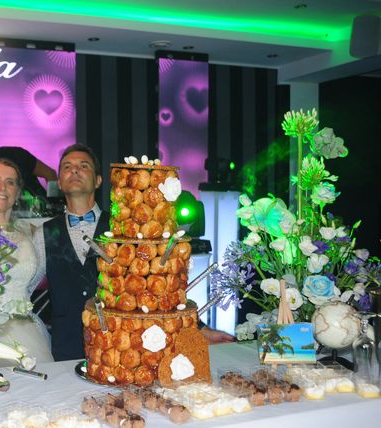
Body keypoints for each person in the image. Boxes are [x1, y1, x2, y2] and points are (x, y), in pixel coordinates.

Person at [33, 143, 234, 362]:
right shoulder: (43, 233)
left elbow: (159, 288)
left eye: (84, 166)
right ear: (59, 182)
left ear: (99, 180)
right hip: (65, 350)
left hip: (120, 352)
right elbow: (22, 288)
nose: (75, 171)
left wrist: (200, 328)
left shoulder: (126, 228)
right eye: (67, 167)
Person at [0, 157, 53, 365]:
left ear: (17, 193)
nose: (2, 187)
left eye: (10, 182)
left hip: (27, 331)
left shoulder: (28, 232)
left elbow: (33, 282)